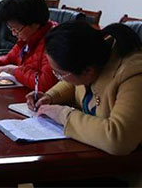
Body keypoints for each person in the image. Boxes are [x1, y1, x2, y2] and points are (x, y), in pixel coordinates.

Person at [27, 22, 142, 155]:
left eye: (59, 73)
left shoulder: (133, 75)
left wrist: (63, 115)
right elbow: (74, 84)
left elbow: (118, 139)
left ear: (88, 71)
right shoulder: (91, 58)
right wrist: (50, 96)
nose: (59, 78)